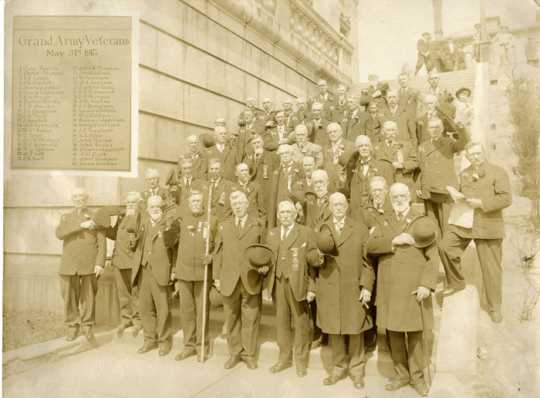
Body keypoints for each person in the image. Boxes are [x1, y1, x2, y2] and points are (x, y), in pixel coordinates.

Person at [367, 183, 438, 396]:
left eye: (402, 195)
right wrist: (393, 240)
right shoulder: (383, 220)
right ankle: (401, 375)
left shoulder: (422, 221)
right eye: (395, 196)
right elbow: (369, 246)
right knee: (394, 333)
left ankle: (417, 378)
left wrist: (426, 284)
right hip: (389, 287)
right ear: (390, 198)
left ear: (409, 197)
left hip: (413, 288)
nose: (398, 199)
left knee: (415, 334)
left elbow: (433, 258)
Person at [439, 142, 512, 323]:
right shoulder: (464, 173)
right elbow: (461, 194)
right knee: (445, 246)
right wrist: (454, 195)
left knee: (491, 269)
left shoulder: (498, 172)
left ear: (484, 153)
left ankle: (494, 306)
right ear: (468, 157)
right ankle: (456, 282)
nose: (475, 157)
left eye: (478, 153)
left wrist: (482, 203)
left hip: (488, 224)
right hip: (465, 222)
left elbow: (506, 198)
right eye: (471, 155)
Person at [316, 192, 374, 389]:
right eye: (335, 204)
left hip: (352, 287)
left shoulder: (359, 229)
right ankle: (338, 368)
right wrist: (318, 257)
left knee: (355, 330)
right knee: (335, 330)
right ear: (330, 207)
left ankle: (357, 371)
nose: (338, 207)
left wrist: (366, 287)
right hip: (330, 287)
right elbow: (312, 257)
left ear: (347, 206)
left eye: (341, 204)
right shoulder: (322, 228)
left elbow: (368, 263)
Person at [265, 200, 321, 377]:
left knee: (301, 324)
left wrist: (312, 288)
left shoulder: (305, 232)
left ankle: (301, 361)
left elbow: (313, 263)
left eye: (289, 212)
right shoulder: (272, 234)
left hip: (298, 284)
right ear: (277, 215)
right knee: (281, 323)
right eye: (282, 213)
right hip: (278, 283)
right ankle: (284, 358)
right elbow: (267, 259)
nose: (285, 216)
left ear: (295, 214)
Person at [213, 191, 266, 369]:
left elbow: (263, 252)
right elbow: (218, 252)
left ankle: (249, 353)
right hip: (229, 279)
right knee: (232, 317)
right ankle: (234, 352)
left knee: (250, 317)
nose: (237, 206)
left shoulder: (257, 225)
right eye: (234, 203)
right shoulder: (224, 226)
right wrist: (216, 277)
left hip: (250, 278)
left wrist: (262, 271)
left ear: (247, 204)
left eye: (240, 203)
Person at [55, 188, 106, 344]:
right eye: (76, 196)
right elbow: (59, 234)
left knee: (89, 296)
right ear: (72, 199)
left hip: (89, 264)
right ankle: (72, 325)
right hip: (69, 264)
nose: (79, 199)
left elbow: (102, 242)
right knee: (69, 296)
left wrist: (100, 263)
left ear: (87, 199)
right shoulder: (66, 217)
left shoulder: (95, 216)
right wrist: (81, 225)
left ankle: (87, 326)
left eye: (82, 197)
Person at [129, 195, 178, 356]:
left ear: (162, 208)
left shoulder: (169, 224)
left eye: (158, 206)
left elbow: (175, 250)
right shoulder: (142, 224)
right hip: (144, 271)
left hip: (161, 271)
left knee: (162, 308)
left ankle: (164, 341)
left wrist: (173, 270)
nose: (155, 209)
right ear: (148, 209)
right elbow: (134, 246)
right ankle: (149, 339)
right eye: (152, 206)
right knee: (145, 308)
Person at [172, 190, 217, 361]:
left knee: (201, 311)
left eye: (199, 200)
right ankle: (188, 346)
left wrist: (211, 256)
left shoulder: (211, 220)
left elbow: (218, 245)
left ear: (203, 202)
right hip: (184, 272)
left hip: (202, 272)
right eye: (193, 201)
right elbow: (172, 244)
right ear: (188, 204)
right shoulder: (181, 221)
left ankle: (201, 347)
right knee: (186, 312)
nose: (196, 203)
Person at [100, 192, 143, 338]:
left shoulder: (140, 217)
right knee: (123, 293)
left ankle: (138, 320)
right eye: (128, 203)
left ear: (139, 204)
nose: (130, 205)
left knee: (135, 292)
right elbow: (114, 234)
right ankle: (126, 319)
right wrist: (119, 211)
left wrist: (132, 213)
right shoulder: (122, 217)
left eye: (133, 203)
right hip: (119, 261)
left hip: (133, 262)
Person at [417, 117, 468, 235]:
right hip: (428, 190)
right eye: (431, 127)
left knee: (447, 226)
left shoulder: (448, 142)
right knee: (432, 225)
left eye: (437, 127)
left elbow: (463, 144)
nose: (434, 130)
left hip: (444, 190)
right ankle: (436, 251)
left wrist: (461, 129)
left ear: (442, 129)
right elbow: (422, 168)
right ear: (427, 129)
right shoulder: (423, 146)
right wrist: (419, 185)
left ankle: (448, 252)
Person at [345, 135, 394, 221]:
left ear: (371, 147)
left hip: (376, 212)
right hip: (357, 212)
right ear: (357, 149)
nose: (364, 148)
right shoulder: (352, 167)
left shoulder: (383, 166)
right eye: (361, 146)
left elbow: (389, 191)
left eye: (366, 145)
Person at [374, 121, 418, 201]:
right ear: (383, 132)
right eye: (388, 130)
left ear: (397, 131)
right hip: (385, 185)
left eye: (393, 130)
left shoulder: (407, 145)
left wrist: (402, 165)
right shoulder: (377, 147)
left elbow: (415, 162)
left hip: (402, 182)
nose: (391, 133)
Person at [267, 144, 304, 228]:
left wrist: (299, 202)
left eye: (287, 153)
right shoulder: (276, 171)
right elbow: (273, 195)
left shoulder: (299, 168)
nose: (284, 155)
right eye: (282, 154)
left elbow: (303, 188)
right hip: (280, 207)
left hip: (294, 205)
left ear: (291, 154)